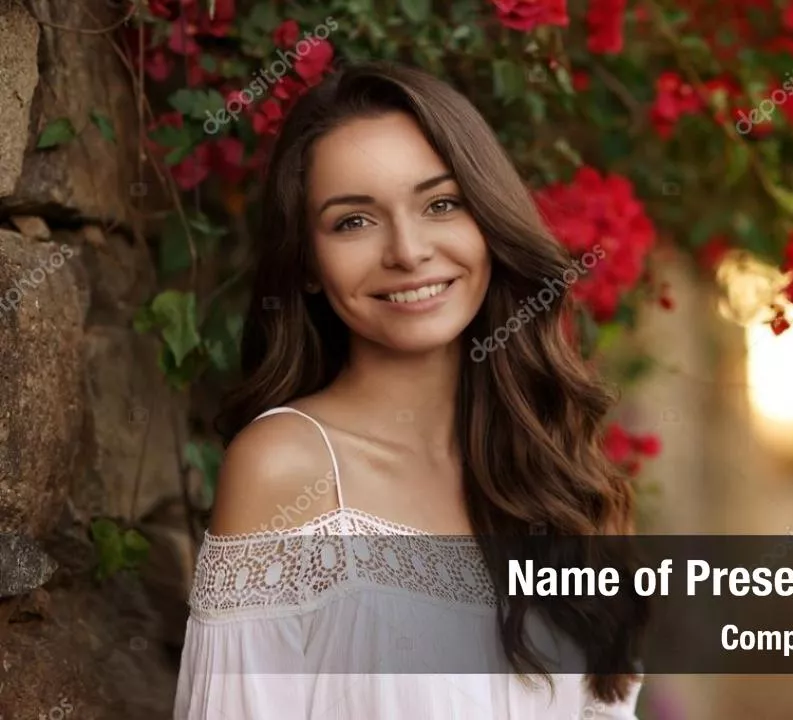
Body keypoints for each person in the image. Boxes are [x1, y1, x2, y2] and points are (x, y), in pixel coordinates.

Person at [174, 60, 644, 719]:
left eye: (441, 204)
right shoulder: (286, 466)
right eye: (353, 222)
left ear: (488, 221)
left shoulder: (557, 475)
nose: (408, 251)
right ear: (307, 263)